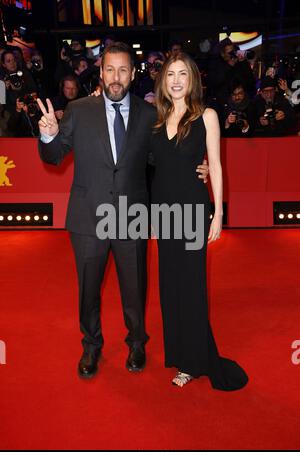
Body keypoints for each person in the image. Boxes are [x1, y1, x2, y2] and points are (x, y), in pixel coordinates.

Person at [36, 42, 210, 380]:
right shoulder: (78, 110)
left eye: (123, 70)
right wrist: (48, 136)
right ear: (101, 72)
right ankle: (91, 344)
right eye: (110, 70)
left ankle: (136, 341)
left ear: (133, 74)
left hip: (132, 216)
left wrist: (197, 166)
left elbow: (162, 159)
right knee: (88, 289)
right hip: (88, 216)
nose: (116, 77)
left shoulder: (150, 116)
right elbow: (56, 155)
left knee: (135, 286)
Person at [151, 53, 248, 390]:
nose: (176, 80)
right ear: (163, 81)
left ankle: (193, 362)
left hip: (192, 211)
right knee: (169, 286)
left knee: (191, 287)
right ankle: (178, 353)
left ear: (192, 79)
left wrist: (217, 213)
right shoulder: (157, 118)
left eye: (182, 74)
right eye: (170, 75)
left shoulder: (206, 115)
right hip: (163, 214)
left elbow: (216, 166)